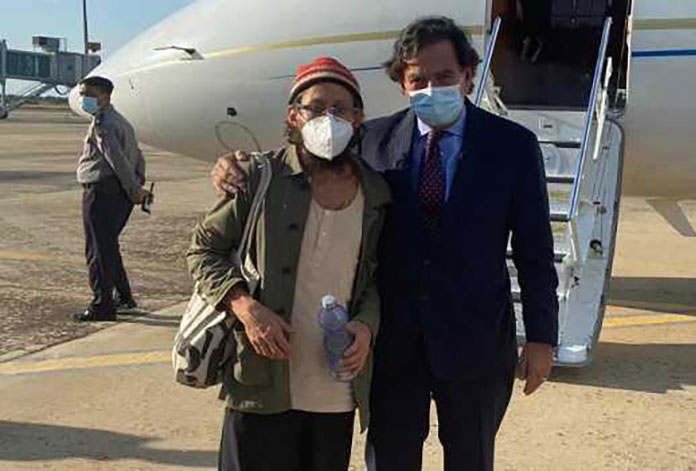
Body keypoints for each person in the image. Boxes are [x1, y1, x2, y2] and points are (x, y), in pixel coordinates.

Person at [212, 17, 559, 471]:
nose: (431, 88)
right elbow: (304, 159)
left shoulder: (512, 146)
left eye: (445, 77)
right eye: (418, 80)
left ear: (468, 74)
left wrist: (541, 339)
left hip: (475, 343)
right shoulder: (370, 140)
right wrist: (233, 165)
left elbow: (535, 250)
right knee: (390, 460)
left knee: (472, 458)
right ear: (402, 83)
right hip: (392, 345)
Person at [187, 57, 390, 471]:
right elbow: (203, 250)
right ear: (294, 115)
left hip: (334, 389)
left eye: (340, 109)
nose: (328, 118)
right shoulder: (258, 177)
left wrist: (366, 327)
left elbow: (377, 278)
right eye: (315, 107)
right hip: (261, 380)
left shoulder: (377, 194)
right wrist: (246, 307)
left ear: (358, 118)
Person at [75, 76, 149, 322]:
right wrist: (136, 185)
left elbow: (116, 160)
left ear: (104, 96)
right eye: (82, 94)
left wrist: (134, 189)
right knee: (108, 247)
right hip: (116, 193)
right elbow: (137, 156)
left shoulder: (104, 124)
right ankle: (123, 296)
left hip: (101, 192)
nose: (83, 99)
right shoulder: (121, 121)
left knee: (97, 250)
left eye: (88, 94)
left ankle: (102, 305)